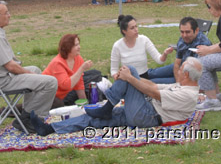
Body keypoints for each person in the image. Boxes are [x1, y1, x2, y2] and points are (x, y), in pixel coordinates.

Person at [30, 57, 202, 136]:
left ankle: (108, 106)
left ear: (186, 75)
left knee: (131, 70)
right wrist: (128, 77)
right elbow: (153, 85)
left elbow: (153, 93)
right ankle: (50, 129)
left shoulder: (188, 95)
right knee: (92, 118)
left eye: (180, 69)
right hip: (142, 111)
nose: (177, 70)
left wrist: (129, 76)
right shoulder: (181, 85)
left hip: (147, 116)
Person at [0, 1, 58, 133]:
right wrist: (29, 73)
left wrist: (30, 72)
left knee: (35, 69)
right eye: (6, 13)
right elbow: (11, 66)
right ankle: (32, 120)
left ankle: (28, 115)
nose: (9, 15)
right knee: (51, 82)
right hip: (4, 81)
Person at [147, 17, 212, 84]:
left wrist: (179, 83)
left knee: (151, 82)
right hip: (180, 68)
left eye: (187, 32)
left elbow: (197, 73)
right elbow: (177, 63)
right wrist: (178, 79)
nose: (184, 35)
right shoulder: (182, 40)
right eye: (182, 32)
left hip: (189, 77)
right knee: (150, 74)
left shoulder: (204, 44)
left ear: (196, 30)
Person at [110, 15, 168, 80]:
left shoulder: (144, 39)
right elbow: (113, 70)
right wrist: (117, 77)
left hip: (144, 79)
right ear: (124, 31)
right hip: (128, 81)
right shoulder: (117, 45)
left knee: (172, 72)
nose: (136, 30)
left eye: (136, 26)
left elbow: (159, 60)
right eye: (132, 28)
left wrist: (165, 54)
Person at [42, 34, 93, 108]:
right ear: (68, 48)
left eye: (79, 44)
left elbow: (79, 83)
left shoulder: (78, 59)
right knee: (59, 104)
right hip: (47, 96)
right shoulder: (57, 63)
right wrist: (81, 69)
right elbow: (66, 85)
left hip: (62, 96)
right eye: (76, 45)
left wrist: (85, 103)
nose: (79, 47)